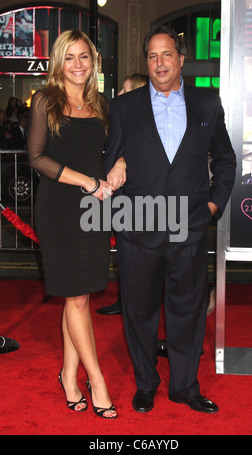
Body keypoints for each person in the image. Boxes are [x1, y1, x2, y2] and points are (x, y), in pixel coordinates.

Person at [105, 26, 236, 414]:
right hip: (138, 229)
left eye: (166, 55)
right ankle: (146, 383)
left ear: (181, 59)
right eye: (152, 56)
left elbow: (225, 160)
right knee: (138, 312)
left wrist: (212, 208)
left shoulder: (207, 105)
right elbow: (110, 165)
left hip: (190, 229)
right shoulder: (125, 107)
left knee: (188, 311)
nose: (159, 62)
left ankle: (184, 386)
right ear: (146, 62)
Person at [27, 30, 125, 419]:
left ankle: (68, 375)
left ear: (94, 62)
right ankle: (96, 379)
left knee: (79, 295)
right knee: (76, 297)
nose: (78, 64)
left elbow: (119, 149)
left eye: (85, 57)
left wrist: (119, 164)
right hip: (59, 207)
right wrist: (85, 180)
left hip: (95, 209)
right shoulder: (45, 101)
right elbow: (36, 157)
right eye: (70, 57)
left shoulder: (102, 104)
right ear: (58, 61)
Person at [97, 72, 149, 316]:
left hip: (140, 198)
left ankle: (133, 305)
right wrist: (119, 159)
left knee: (138, 256)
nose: (119, 94)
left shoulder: (147, 120)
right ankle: (127, 302)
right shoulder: (120, 116)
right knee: (128, 255)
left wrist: (122, 161)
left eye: (126, 90)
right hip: (122, 198)